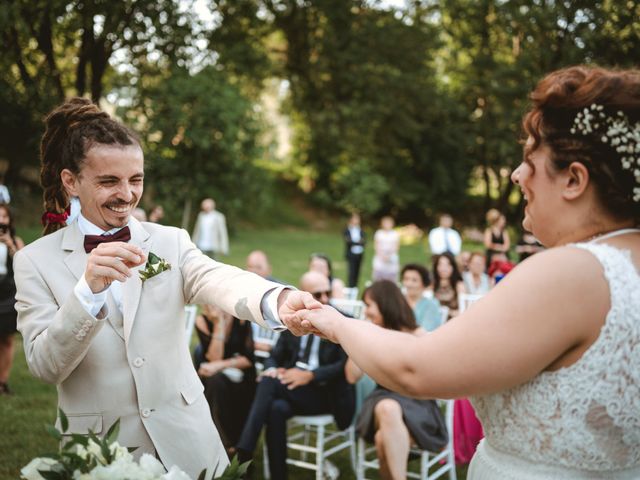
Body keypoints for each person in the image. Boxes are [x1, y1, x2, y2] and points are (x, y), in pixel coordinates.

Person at [298, 66, 640, 479]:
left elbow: (415, 369)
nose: (517, 175)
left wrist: (332, 321)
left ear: (573, 179)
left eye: (530, 158)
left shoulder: (576, 272)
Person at [14, 98, 320, 479]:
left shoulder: (170, 242)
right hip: (103, 456)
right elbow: (45, 366)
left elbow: (217, 278)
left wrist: (277, 298)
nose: (126, 194)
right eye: (109, 181)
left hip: (189, 443)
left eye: (136, 180)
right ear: (71, 181)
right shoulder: (33, 261)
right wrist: (86, 293)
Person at [236, 271, 355, 480]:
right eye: (319, 294)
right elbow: (274, 356)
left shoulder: (343, 320)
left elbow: (343, 366)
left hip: (326, 393)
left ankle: (243, 453)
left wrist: (310, 375)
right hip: (294, 389)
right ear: (304, 295)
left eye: (328, 292)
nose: (326, 299)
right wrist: (274, 368)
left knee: (268, 383)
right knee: (276, 408)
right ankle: (278, 475)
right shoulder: (294, 321)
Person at [346, 280, 447, 480]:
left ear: (385, 305)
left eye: (369, 305)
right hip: (382, 398)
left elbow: (434, 376)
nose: (365, 311)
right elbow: (352, 376)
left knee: (383, 439)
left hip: (417, 401)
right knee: (388, 408)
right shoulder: (371, 334)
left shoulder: (418, 335)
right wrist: (359, 338)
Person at [195, 304, 256, 456]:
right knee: (214, 382)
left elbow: (248, 359)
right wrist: (219, 324)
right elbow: (214, 357)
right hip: (214, 381)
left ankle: (229, 445)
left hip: (242, 379)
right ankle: (222, 445)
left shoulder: (241, 319)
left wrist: (220, 365)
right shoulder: (202, 321)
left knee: (217, 382)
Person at [0, 205, 24, 395]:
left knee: (7, 340)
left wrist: (10, 245)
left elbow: (24, 268)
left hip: (9, 294)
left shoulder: (16, 241)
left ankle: (3, 382)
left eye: (4, 216)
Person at [400, 263, 442, 332]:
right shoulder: (398, 301)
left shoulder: (431, 305)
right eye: (406, 279)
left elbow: (426, 332)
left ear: (424, 284)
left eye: (414, 280)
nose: (409, 284)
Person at [432, 252, 466, 318]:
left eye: (447, 265)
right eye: (440, 264)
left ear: (453, 267)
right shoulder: (432, 285)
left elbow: (463, 310)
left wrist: (447, 312)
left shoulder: (459, 285)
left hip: (453, 322)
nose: (443, 268)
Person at [372, 216, 400, 282]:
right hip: (380, 256)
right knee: (379, 275)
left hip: (391, 256)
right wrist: (382, 255)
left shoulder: (395, 234)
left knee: (392, 275)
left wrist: (389, 256)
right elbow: (376, 245)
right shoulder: (379, 233)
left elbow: (396, 246)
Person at [343, 212, 366, 288]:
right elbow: (348, 241)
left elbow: (364, 242)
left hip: (359, 253)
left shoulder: (361, 230)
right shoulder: (347, 230)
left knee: (357, 272)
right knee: (351, 272)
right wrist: (357, 242)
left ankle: (355, 286)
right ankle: (350, 286)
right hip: (351, 254)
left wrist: (355, 242)